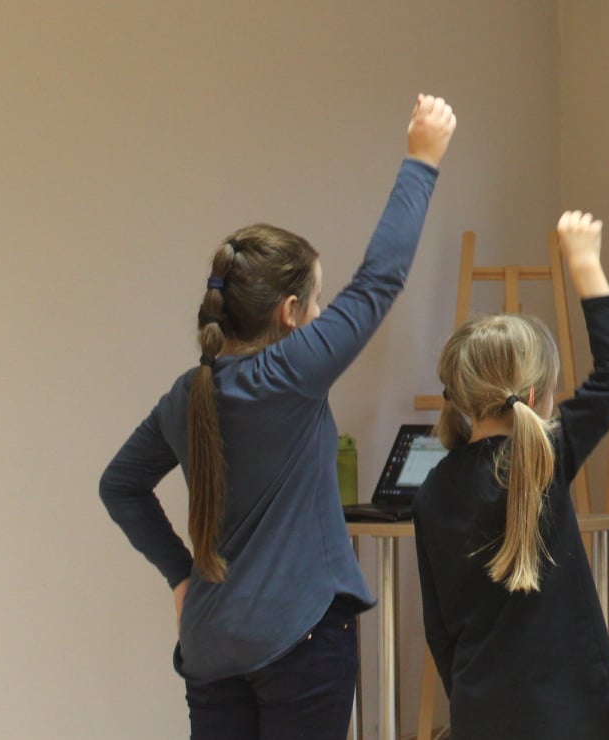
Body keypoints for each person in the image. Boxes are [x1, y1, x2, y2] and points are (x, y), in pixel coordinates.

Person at [100, 94, 457, 739]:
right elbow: (379, 280)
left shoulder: (187, 393)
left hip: (211, 642)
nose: (322, 317)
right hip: (300, 640)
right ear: (289, 312)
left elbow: (119, 485)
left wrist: (181, 574)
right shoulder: (291, 374)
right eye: (316, 303)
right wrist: (422, 160)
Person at [414, 211, 609, 740]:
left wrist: (469, 699)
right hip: (574, 713)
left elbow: (437, 627)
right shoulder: (544, 460)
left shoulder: (432, 489)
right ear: (537, 397)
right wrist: (584, 263)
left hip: (480, 713)